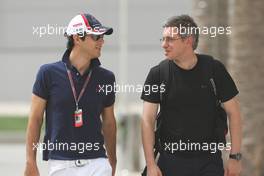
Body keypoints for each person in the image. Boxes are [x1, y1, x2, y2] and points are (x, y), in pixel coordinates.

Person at [141, 15, 242, 176]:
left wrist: (235, 157)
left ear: (188, 40)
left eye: (170, 39)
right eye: (163, 39)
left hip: (210, 161)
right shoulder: (158, 74)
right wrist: (151, 164)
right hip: (170, 161)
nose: (163, 44)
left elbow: (234, 113)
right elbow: (147, 119)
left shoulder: (214, 70)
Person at [24, 13, 116, 176]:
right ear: (77, 38)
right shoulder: (47, 73)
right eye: (96, 37)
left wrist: (112, 161)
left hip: (98, 164)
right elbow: (35, 119)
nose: (102, 41)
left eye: (102, 37)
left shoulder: (107, 78)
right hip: (61, 165)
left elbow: (109, 122)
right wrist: (30, 161)